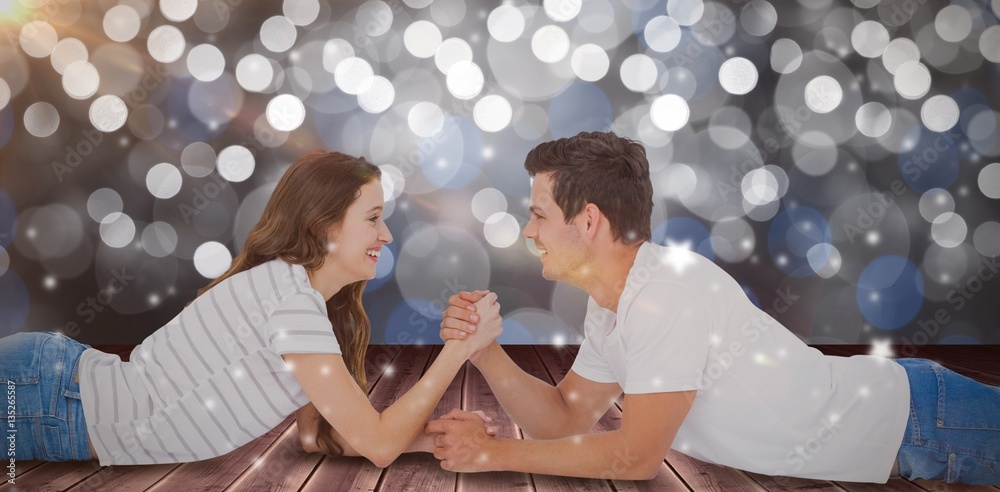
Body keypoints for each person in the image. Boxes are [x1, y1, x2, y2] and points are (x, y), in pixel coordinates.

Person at [432, 131, 1000, 485]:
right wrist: (485, 353)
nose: (529, 231)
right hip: (906, 422)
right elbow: (562, 418)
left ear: (588, 220)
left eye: (538, 214)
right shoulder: (612, 303)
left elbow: (636, 458)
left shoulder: (665, 295)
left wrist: (492, 454)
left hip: (921, 420)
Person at [0, 150, 502, 467]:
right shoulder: (292, 305)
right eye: (372, 218)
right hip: (49, 397)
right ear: (326, 224)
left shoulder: (300, 305)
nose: (386, 235)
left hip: (55, 398)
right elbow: (378, 445)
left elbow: (321, 436)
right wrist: (458, 351)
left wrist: (437, 436)